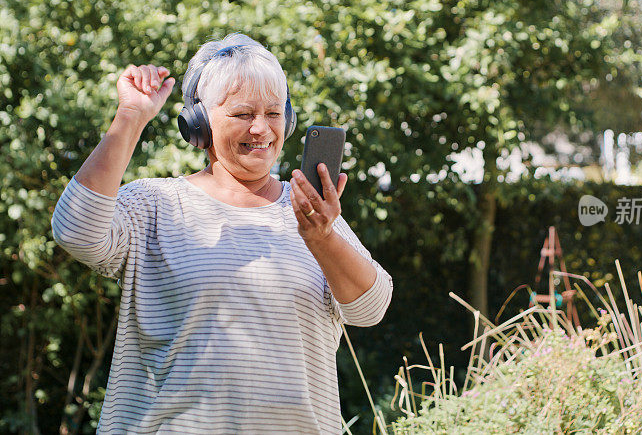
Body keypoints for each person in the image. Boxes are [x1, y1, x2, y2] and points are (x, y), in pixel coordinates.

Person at [51, 33, 393, 434]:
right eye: (243, 114)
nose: (262, 129)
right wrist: (130, 117)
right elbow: (75, 231)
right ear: (198, 124)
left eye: (273, 113)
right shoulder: (154, 204)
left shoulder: (308, 213)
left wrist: (321, 238)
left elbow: (370, 309)